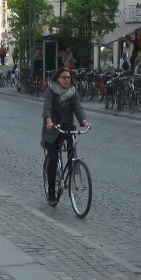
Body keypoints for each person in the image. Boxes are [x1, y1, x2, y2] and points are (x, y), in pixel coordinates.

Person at [41, 68, 91, 202]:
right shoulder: (50, 91)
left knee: (72, 153)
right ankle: (51, 190)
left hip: (67, 127)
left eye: (68, 77)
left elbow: (78, 109)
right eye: (64, 77)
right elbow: (47, 108)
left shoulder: (73, 92)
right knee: (53, 158)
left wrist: (84, 122)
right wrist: (49, 120)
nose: (66, 80)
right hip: (52, 128)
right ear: (58, 78)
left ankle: (72, 170)